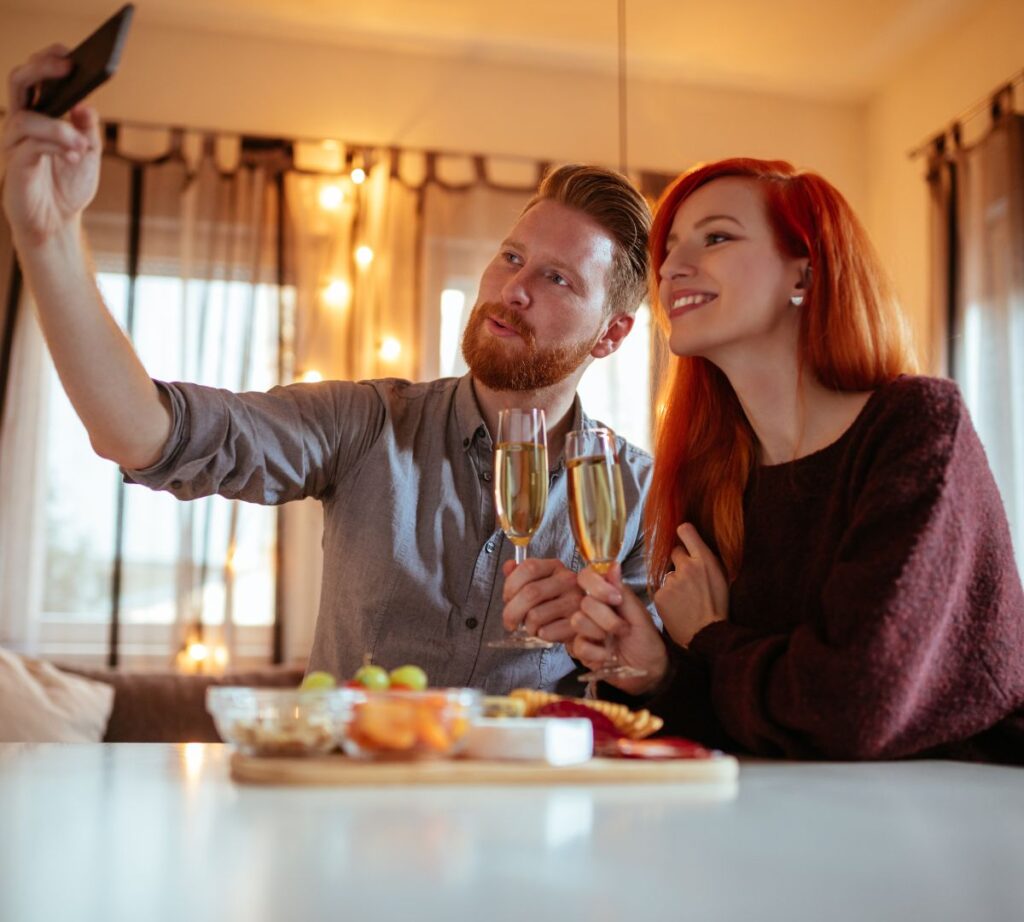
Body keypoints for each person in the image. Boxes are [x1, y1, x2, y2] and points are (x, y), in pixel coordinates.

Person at [1, 47, 654, 693]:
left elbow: (659, 694)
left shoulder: (643, 492)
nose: (514, 288)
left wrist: (610, 643)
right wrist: (49, 236)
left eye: (557, 278)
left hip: (534, 798)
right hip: (352, 795)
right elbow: (141, 432)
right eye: (512, 256)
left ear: (612, 334)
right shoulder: (368, 424)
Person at [569, 157, 1024, 763]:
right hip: (803, 813)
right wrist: (658, 672)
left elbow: (852, 705)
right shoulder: (716, 475)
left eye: (718, 237)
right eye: (671, 248)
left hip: (961, 810)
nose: (672, 268)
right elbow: (744, 719)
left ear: (804, 275)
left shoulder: (915, 426)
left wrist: (709, 637)